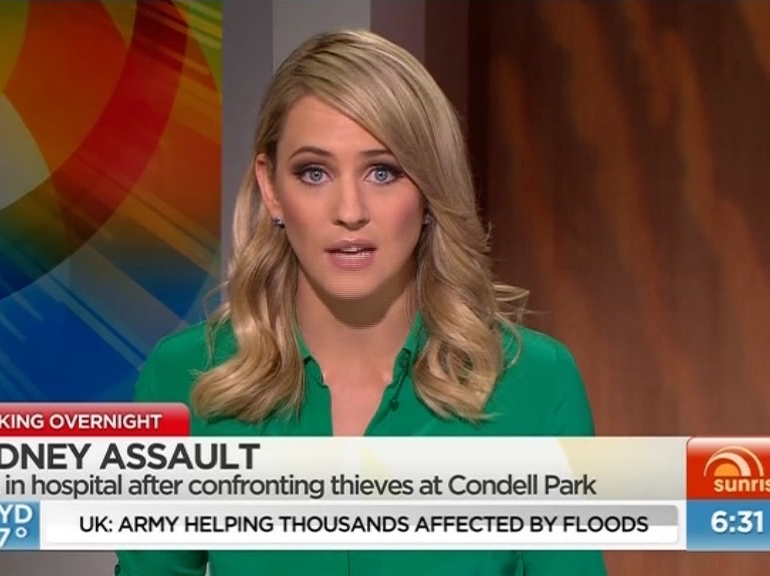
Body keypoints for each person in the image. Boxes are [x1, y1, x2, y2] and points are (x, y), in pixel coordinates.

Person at [115, 29, 606, 576]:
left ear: (428, 191)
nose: (349, 211)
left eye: (383, 171)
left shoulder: (536, 383)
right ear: (271, 189)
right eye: (314, 172)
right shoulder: (185, 377)